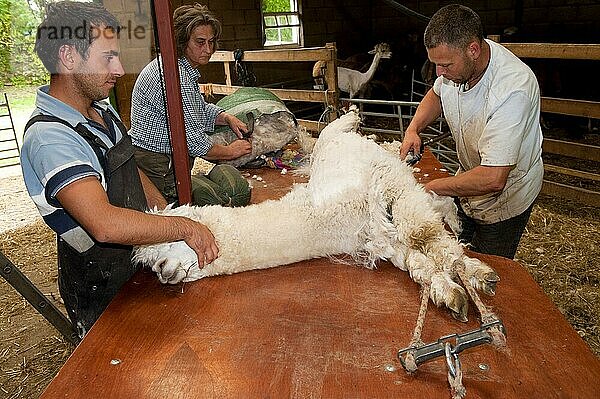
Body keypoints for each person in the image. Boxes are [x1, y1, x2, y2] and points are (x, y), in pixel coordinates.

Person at [21, 1, 219, 338]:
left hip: (136, 267)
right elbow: (104, 225)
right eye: (108, 57)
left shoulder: (101, 111)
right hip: (105, 292)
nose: (119, 69)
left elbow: (132, 173)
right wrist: (183, 228)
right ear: (69, 57)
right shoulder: (50, 137)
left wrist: (167, 215)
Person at [399, 4, 543, 259]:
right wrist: (413, 129)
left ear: (473, 49)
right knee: (458, 250)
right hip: (469, 180)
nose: (439, 73)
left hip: (506, 197)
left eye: (445, 65)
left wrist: (433, 187)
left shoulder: (512, 90)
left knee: (488, 268)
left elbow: (493, 178)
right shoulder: (458, 68)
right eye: (436, 65)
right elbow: (436, 94)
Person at [129, 3, 252, 207]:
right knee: (177, 209)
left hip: (159, 157)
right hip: (158, 163)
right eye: (200, 42)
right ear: (182, 41)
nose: (208, 49)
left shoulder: (179, 68)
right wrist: (231, 151)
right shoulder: (177, 78)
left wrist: (226, 117)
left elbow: (199, 108)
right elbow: (195, 143)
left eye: (211, 42)